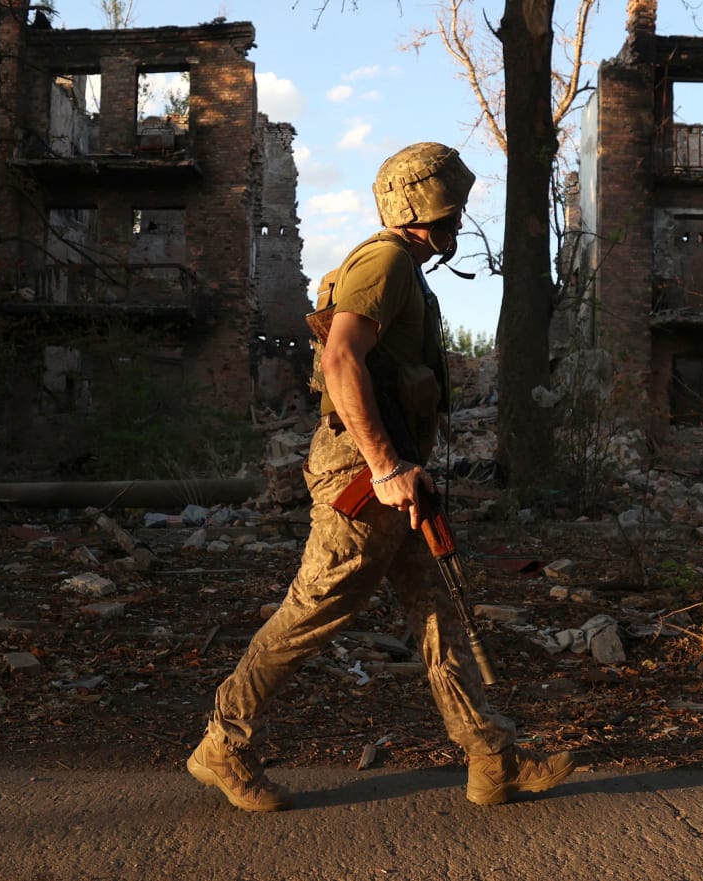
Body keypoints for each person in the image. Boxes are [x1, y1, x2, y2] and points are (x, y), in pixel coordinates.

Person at [187, 142, 575, 812]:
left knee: (440, 610)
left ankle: (492, 756)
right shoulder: (388, 260)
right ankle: (223, 741)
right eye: (450, 207)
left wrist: (402, 466)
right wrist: (387, 465)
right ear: (424, 207)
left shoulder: (405, 269)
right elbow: (341, 359)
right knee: (314, 610)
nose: (458, 222)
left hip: (396, 474)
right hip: (364, 479)